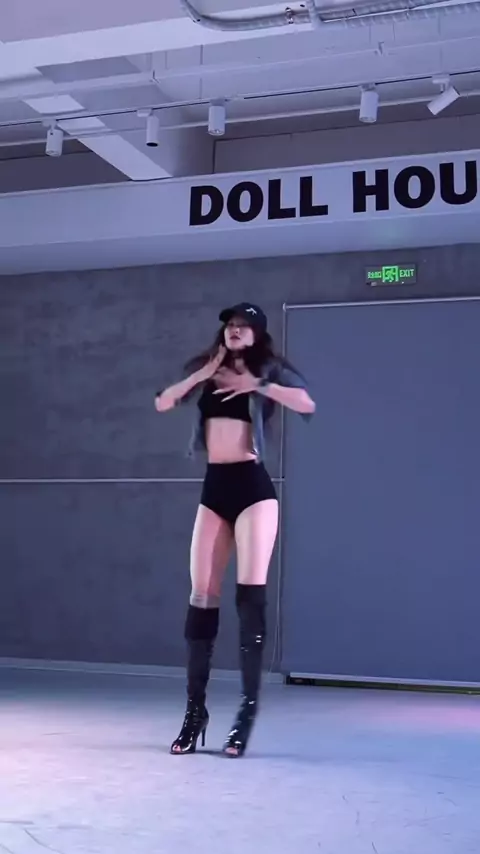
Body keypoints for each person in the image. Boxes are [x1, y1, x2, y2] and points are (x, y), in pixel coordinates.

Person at [155, 303, 315, 757]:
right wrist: (201, 375)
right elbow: (163, 401)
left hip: (253, 489)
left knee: (249, 596)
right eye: (230, 326)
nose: (235, 331)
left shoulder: (269, 370)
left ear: (258, 333)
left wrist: (257, 385)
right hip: (215, 488)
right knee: (201, 595)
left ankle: (245, 714)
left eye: (244, 326)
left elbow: (307, 403)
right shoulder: (209, 370)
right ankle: (195, 712)